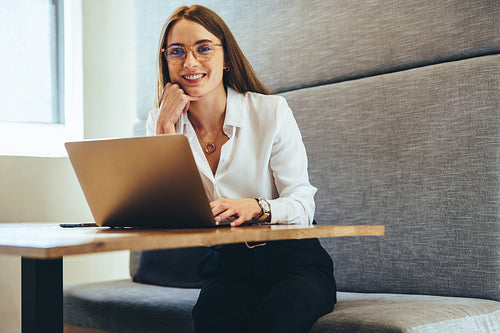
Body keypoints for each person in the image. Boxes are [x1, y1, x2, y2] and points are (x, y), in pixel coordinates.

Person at [146, 5, 336, 333]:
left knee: (274, 322)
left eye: (203, 48)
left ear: (226, 58)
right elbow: (167, 219)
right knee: (211, 321)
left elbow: (304, 206)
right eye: (177, 52)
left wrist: (258, 207)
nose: (190, 63)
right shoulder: (162, 123)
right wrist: (164, 132)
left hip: (294, 262)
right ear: (166, 62)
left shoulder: (270, 112)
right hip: (230, 267)